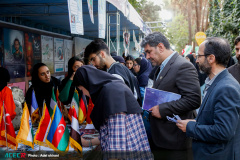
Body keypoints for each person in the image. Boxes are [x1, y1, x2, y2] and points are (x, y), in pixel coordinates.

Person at [177, 37, 240, 160]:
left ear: (211, 58)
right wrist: (197, 122)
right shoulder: (217, 82)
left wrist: (191, 127)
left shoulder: (226, 88)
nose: (196, 61)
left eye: (199, 56)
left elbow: (223, 131)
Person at [141, 32, 201, 160]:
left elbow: (194, 99)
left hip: (174, 141)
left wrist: (162, 109)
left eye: (149, 51)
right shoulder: (162, 66)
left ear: (161, 47)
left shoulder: (183, 66)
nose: (147, 56)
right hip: (163, 138)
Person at [73, 65, 152, 159]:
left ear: (87, 83)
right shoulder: (112, 86)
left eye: (82, 89)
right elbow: (111, 132)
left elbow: (117, 144)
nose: (84, 94)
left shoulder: (112, 93)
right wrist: (88, 143)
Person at [84, 39, 142, 105]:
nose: (93, 64)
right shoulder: (122, 68)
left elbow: (116, 104)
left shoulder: (114, 75)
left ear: (102, 54)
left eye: (93, 59)